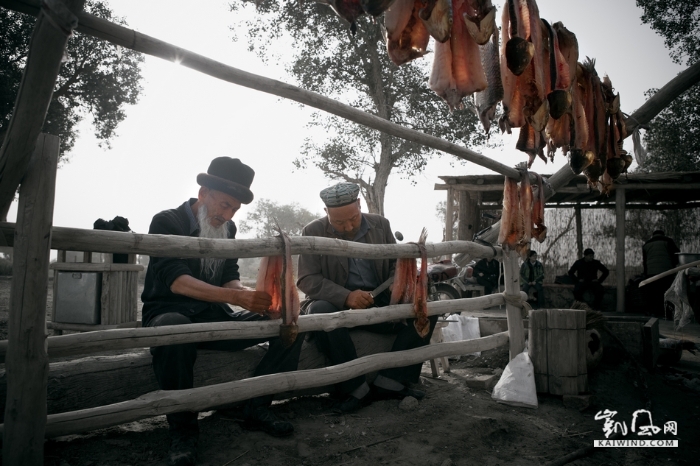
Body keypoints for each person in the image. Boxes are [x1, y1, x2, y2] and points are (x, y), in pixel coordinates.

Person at [141, 157, 304, 466]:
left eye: (234, 210)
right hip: (168, 313)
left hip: (213, 316)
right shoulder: (167, 221)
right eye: (223, 205)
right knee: (175, 327)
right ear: (203, 193)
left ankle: (257, 405)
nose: (226, 215)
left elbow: (230, 274)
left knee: (288, 318)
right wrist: (234, 296)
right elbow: (176, 281)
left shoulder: (228, 227)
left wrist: (252, 296)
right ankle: (184, 432)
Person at [297, 182, 437, 414]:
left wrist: (396, 288)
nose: (348, 226)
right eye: (339, 222)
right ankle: (354, 388)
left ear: (360, 205)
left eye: (353, 218)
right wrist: (346, 296)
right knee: (320, 310)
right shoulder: (312, 231)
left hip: (378, 297)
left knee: (428, 309)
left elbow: (396, 265)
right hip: (336, 302)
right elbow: (307, 280)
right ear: (326, 213)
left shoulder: (381, 224)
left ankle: (390, 382)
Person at [642, 229, 680, 317]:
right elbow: (676, 254)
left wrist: (646, 273)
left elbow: (644, 261)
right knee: (667, 292)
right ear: (663, 234)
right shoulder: (668, 241)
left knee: (654, 293)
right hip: (666, 271)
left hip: (651, 273)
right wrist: (673, 266)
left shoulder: (646, 244)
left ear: (653, 235)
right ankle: (667, 313)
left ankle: (655, 312)